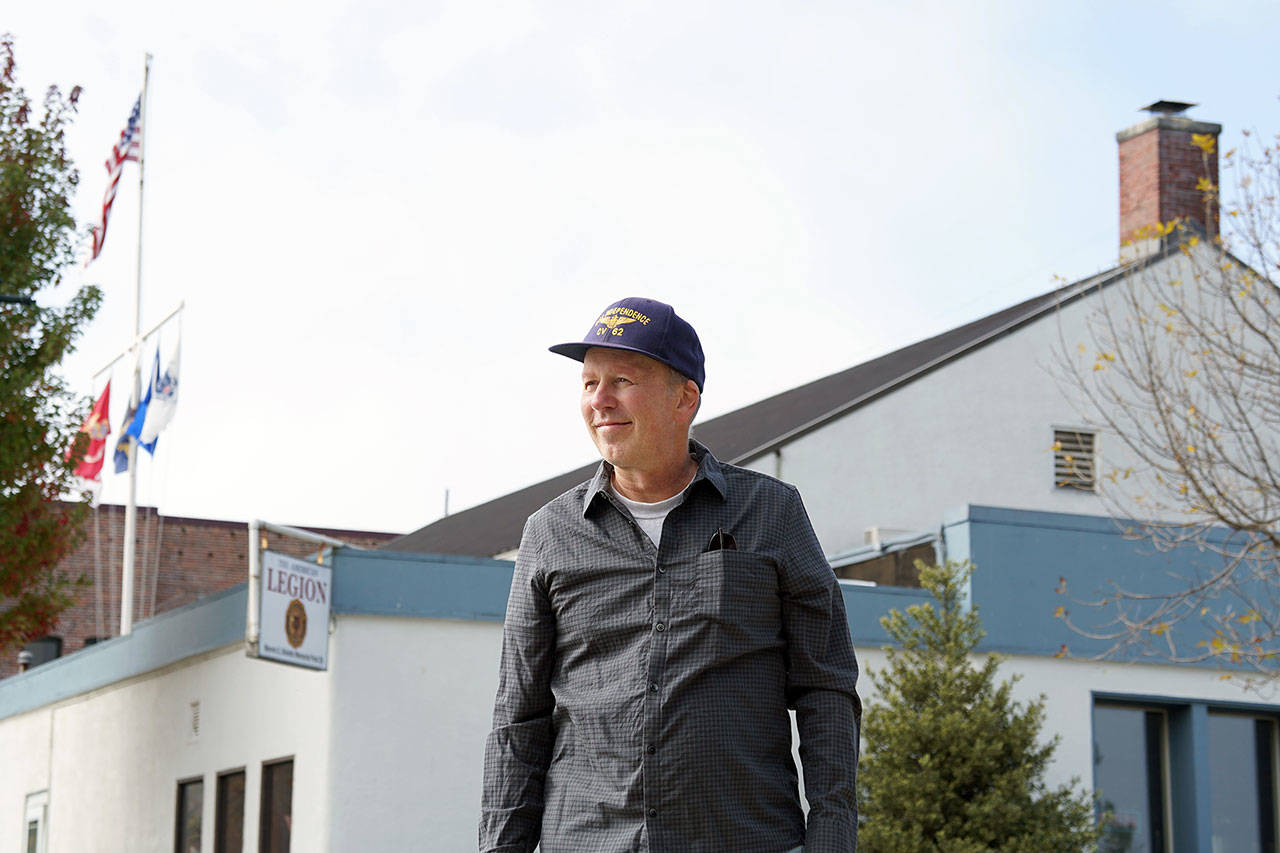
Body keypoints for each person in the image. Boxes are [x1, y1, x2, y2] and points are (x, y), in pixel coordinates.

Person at [480, 297, 861, 853]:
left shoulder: (772, 514)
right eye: (589, 384)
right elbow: (519, 717)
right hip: (585, 840)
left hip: (742, 840)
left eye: (622, 380)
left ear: (685, 398)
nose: (600, 401)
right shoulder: (548, 533)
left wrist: (830, 837)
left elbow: (825, 687)